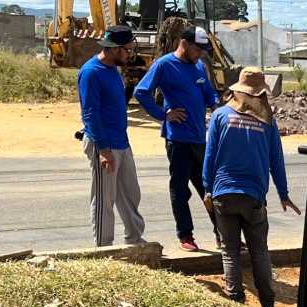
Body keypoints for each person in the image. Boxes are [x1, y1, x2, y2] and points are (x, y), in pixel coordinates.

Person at [202, 67, 300, 307]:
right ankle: (268, 306)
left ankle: (236, 304)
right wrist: (283, 193)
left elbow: (210, 156)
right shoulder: (267, 123)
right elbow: (276, 160)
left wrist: (207, 190)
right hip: (254, 197)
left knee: (230, 251)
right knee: (259, 252)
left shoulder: (220, 116)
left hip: (223, 194)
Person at [135, 26, 220, 252]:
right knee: (180, 190)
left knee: (209, 190)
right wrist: (164, 115)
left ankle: (222, 235)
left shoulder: (199, 67)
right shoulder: (164, 65)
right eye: (198, 49)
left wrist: (216, 106)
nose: (201, 54)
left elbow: (209, 92)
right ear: (184, 43)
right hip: (178, 140)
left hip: (200, 139)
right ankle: (186, 235)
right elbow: (141, 92)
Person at [78, 24, 146, 247]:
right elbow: (90, 114)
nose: (129, 54)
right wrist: (104, 150)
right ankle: (103, 248)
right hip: (103, 144)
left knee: (130, 193)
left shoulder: (113, 70)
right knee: (104, 199)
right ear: (116, 48)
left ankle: (134, 240)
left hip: (121, 142)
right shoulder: (91, 73)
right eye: (127, 49)